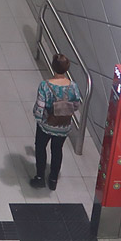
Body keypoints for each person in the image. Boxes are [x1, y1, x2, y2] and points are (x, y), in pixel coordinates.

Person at [30, 53, 82, 191]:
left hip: (47, 124)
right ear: (67, 68)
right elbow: (76, 105)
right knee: (57, 150)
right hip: (63, 125)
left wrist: (38, 118)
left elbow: (40, 106)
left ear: (53, 67)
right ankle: (53, 180)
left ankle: (40, 177)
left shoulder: (45, 86)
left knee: (41, 148)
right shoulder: (73, 86)